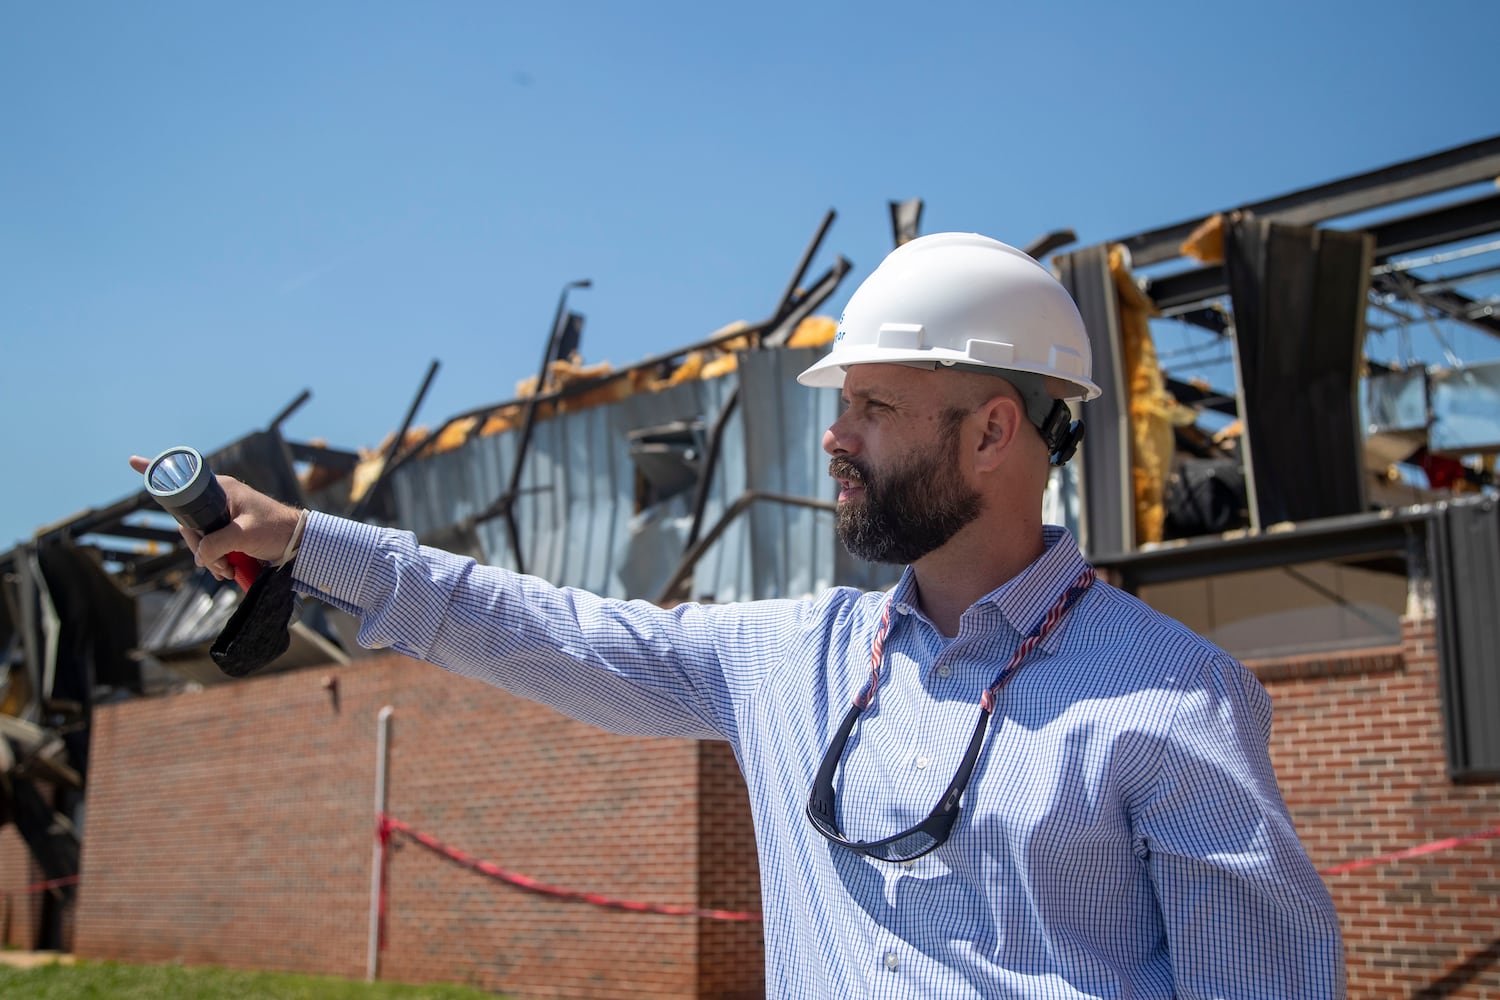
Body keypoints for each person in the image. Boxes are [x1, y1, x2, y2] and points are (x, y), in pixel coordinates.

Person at [132, 233, 1344, 997]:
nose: (832, 433)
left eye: (871, 403)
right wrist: (302, 542)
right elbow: (544, 626)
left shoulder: (1177, 700)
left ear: (991, 430)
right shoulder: (792, 658)